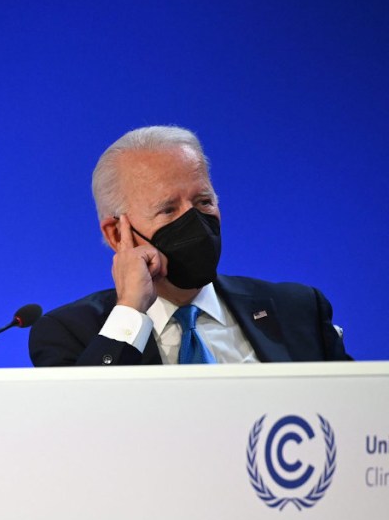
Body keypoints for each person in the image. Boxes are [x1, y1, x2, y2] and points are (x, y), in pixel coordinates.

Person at [29, 125, 351, 367]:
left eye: (203, 202)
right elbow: (83, 422)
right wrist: (130, 310)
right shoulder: (68, 333)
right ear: (116, 234)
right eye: (168, 210)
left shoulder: (299, 310)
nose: (195, 222)